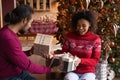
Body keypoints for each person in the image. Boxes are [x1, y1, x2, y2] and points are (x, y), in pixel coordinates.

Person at [0, 4, 59, 80]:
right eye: (30, 22)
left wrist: (30, 52)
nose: (30, 26)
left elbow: (14, 56)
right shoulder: (8, 38)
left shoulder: (8, 31)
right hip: (9, 76)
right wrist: (51, 70)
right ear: (24, 20)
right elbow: (27, 65)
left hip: (17, 71)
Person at [54, 11, 101, 80]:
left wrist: (80, 60)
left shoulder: (96, 39)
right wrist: (53, 55)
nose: (80, 28)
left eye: (84, 26)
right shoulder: (69, 36)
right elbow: (63, 53)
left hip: (88, 72)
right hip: (72, 71)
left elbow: (95, 60)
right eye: (78, 25)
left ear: (90, 24)